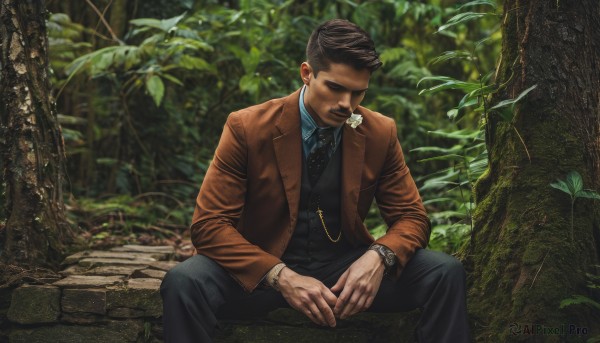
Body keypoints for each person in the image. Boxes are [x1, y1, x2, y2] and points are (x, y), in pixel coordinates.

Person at [160, 19, 469, 343]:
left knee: (444, 273)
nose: (346, 105)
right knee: (184, 282)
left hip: (341, 274)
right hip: (256, 272)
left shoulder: (379, 132)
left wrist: (379, 257)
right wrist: (279, 275)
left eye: (358, 92)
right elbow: (208, 226)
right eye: (335, 88)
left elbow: (412, 217)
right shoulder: (247, 127)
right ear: (307, 73)